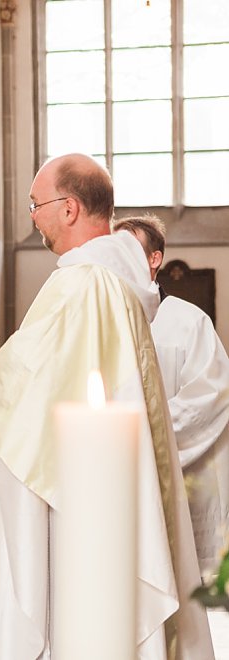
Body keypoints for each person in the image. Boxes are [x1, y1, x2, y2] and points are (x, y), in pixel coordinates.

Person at [0, 154, 213, 658]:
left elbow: (42, 379)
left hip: (86, 496)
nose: (33, 215)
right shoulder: (117, 279)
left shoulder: (84, 282)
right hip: (109, 476)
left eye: (36, 204)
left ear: (68, 208)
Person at [115, 215, 229, 576]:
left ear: (154, 259)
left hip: (173, 467)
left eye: (128, 248)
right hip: (115, 468)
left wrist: (146, 432)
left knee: (175, 573)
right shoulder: (103, 315)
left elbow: (209, 395)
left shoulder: (189, 321)